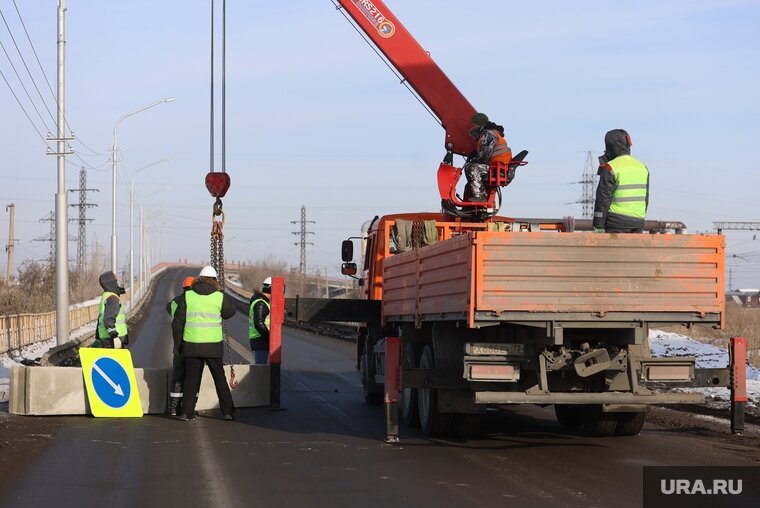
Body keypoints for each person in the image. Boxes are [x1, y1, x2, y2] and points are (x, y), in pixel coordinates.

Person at [171, 266, 236, 421]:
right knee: (219, 379)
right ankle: (227, 412)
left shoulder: (189, 296)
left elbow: (177, 323)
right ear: (214, 280)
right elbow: (229, 312)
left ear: (198, 279)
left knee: (191, 379)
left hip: (191, 345)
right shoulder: (219, 296)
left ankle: (187, 412)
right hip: (213, 346)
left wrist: (178, 345)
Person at [592, 129, 650, 233]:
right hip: (638, 223)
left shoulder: (610, 167)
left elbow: (603, 199)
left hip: (615, 223)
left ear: (609, 147)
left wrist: (598, 225)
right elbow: (645, 199)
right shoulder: (643, 167)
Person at [464, 112, 514, 202]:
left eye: (475, 124)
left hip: (497, 169)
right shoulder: (490, 133)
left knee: (472, 168)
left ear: (480, 124)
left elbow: (484, 156)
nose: (473, 127)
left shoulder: (488, 135)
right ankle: (480, 194)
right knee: (472, 166)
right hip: (496, 167)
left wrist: (474, 159)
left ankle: (480, 196)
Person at [164, 275, 194, 416]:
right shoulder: (195, 301)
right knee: (192, 376)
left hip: (179, 343)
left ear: (183, 287)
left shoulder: (176, 302)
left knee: (177, 375)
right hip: (192, 342)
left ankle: (174, 407)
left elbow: (168, 307)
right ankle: (190, 408)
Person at [94, 271, 129, 348]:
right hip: (113, 339)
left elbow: (101, 318)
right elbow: (108, 319)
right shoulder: (112, 298)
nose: (117, 283)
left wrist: (97, 337)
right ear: (111, 283)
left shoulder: (106, 296)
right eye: (116, 281)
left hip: (107, 337)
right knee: (116, 360)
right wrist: (114, 336)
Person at [248, 277, 272, 364]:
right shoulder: (261, 303)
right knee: (261, 368)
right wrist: (270, 337)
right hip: (260, 339)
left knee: (261, 366)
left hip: (259, 339)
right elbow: (259, 323)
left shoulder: (259, 301)